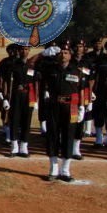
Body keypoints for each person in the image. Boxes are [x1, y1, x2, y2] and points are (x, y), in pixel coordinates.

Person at [39, 42, 83, 181]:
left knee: (68, 136)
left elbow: (81, 90)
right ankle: (53, 169)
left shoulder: (76, 71)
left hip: (71, 107)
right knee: (52, 135)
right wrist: (42, 54)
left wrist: (82, 107)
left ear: (70, 55)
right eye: (61, 53)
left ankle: (65, 170)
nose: (63, 55)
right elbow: (30, 64)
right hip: (54, 106)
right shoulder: (50, 69)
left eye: (66, 52)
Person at [3, 46, 37, 157]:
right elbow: (7, 82)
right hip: (16, 95)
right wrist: (5, 98)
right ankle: (14, 147)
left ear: (29, 51)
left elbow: (36, 82)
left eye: (26, 49)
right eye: (22, 49)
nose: (24, 51)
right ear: (18, 51)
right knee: (14, 120)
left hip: (28, 96)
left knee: (26, 121)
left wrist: (36, 99)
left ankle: (24, 147)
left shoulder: (32, 65)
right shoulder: (13, 65)